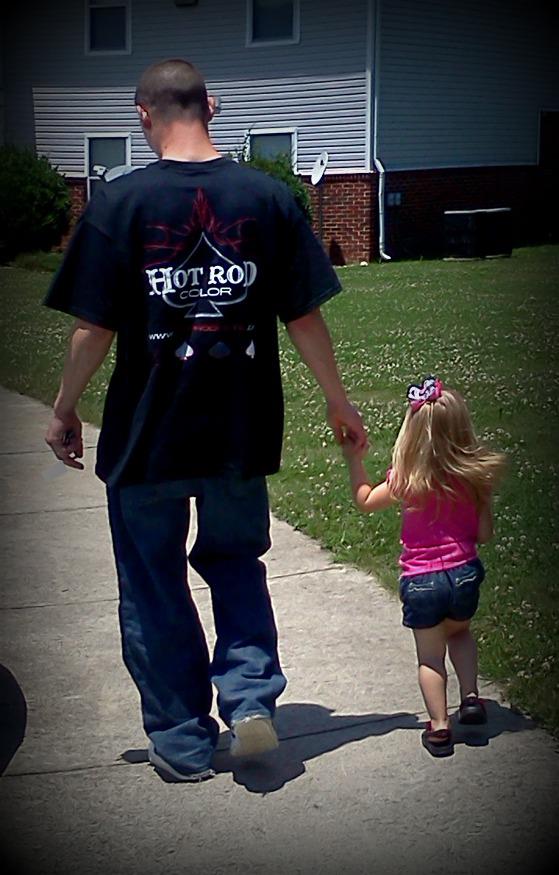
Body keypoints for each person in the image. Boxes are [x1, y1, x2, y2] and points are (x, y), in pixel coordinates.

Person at [44, 59, 366, 782]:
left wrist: (64, 408)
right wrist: (337, 399)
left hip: (146, 437)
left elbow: (92, 329)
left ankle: (183, 738)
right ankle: (249, 698)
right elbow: (303, 314)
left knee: (152, 582)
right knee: (236, 563)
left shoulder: (119, 202)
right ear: (211, 107)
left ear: (143, 115)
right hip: (237, 433)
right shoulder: (266, 197)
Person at [342, 376, 505, 757]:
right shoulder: (474, 480)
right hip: (464, 573)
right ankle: (470, 698)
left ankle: (439, 726)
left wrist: (354, 461)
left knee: (430, 658)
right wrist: (482, 503)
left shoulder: (405, 479)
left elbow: (364, 500)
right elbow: (484, 534)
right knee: (460, 634)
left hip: (421, 581)